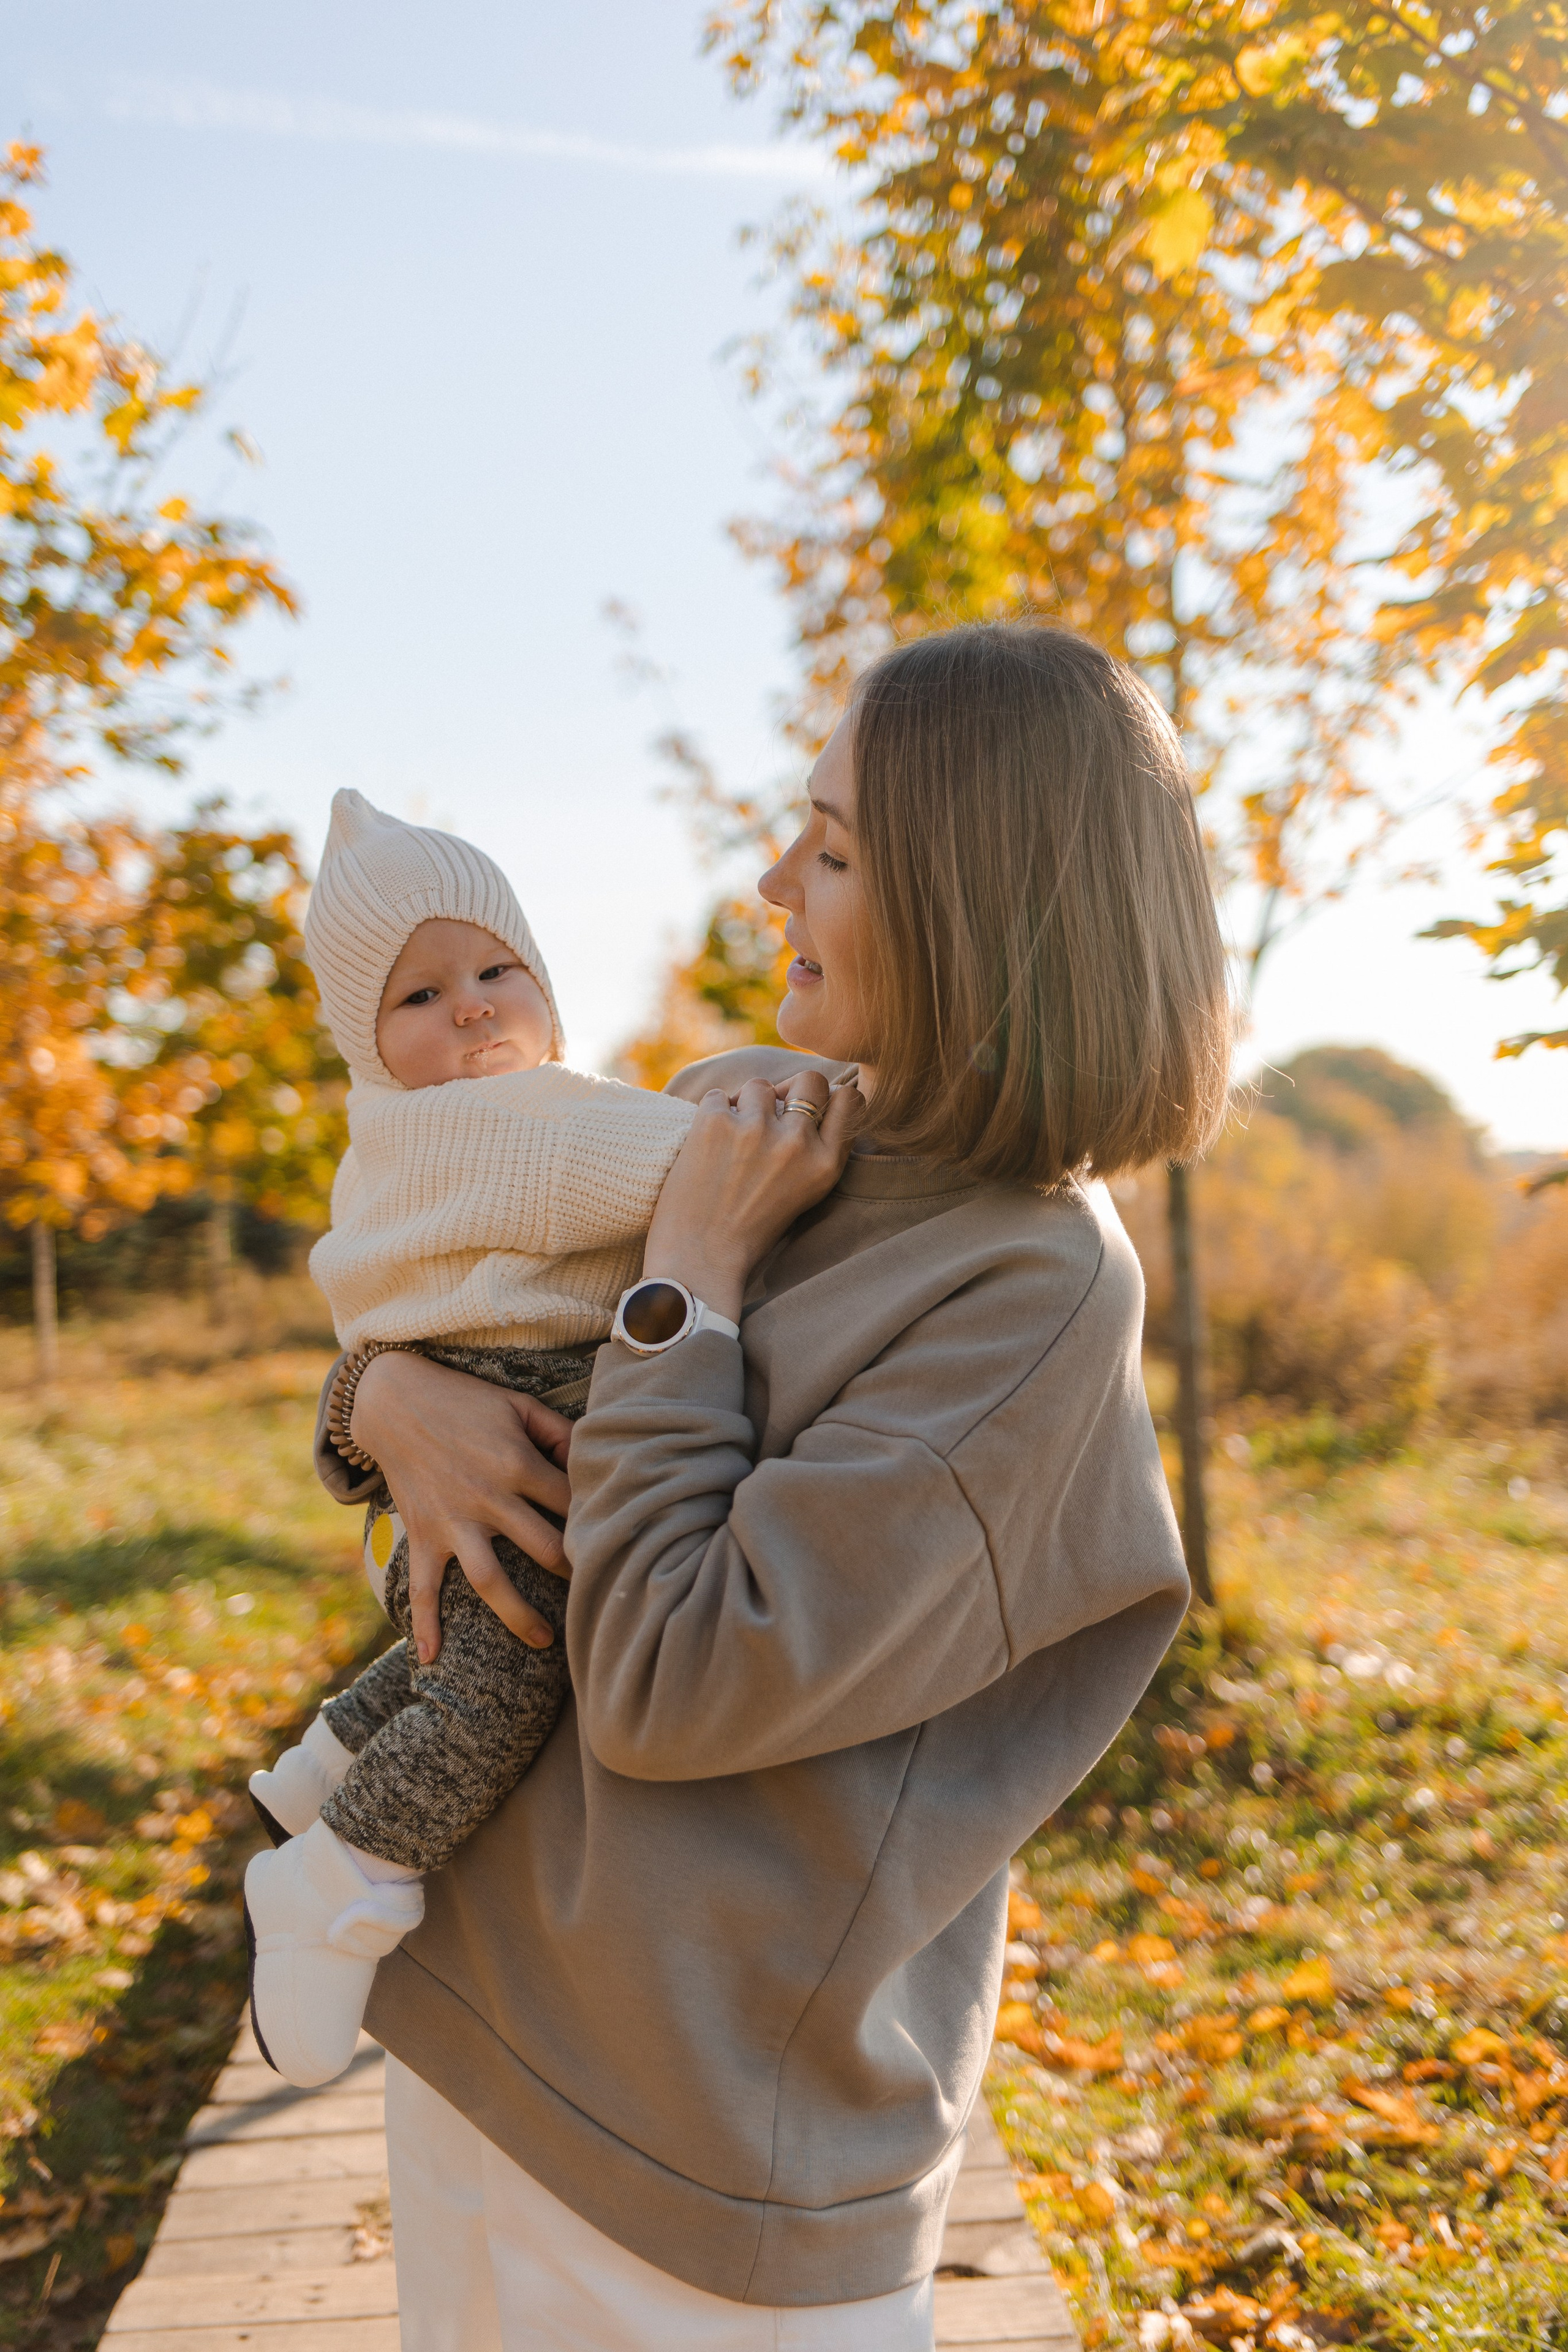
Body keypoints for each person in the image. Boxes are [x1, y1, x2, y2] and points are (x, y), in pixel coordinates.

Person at [312, 624, 1231, 2350]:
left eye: (829, 849)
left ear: (974, 898)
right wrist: (384, 1397)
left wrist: (688, 1284)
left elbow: (671, 1676)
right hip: (473, 2025)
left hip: (704, 2167)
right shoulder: (763, 1134)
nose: (765, 885)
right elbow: (483, 1331)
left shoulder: (1028, 1293)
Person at [245, 789, 712, 2087]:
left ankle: (330, 1754)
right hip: (513, 1417)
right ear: (364, 1043)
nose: (471, 1007)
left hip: (454, 1428)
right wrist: (805, 1130)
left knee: (462, 1651)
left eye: (499, 969)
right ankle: (342, 1878)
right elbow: (687, 1163)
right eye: (419, 996)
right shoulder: (519, 1124)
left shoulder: (390, 1142)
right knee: (511, 1660)